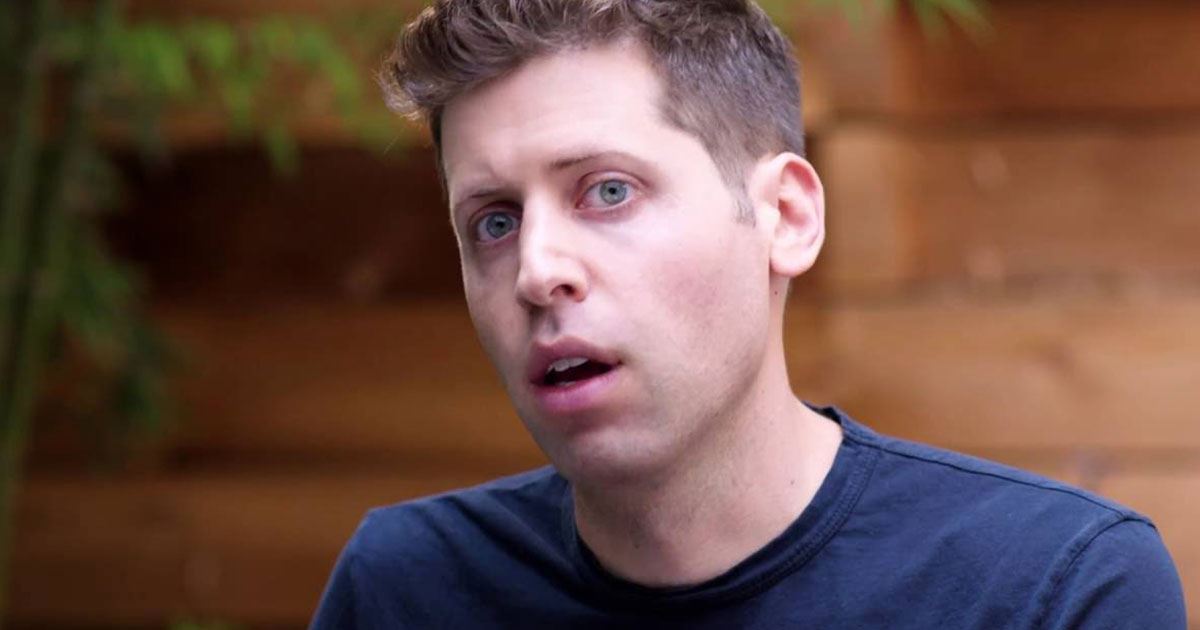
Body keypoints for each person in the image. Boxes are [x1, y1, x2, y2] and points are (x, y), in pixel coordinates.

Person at [311, 1, 1187, 627]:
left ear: (785, 217)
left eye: (607, 191)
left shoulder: (1050, 590)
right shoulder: (404, 590)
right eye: (494, 222)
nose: (537, 271)